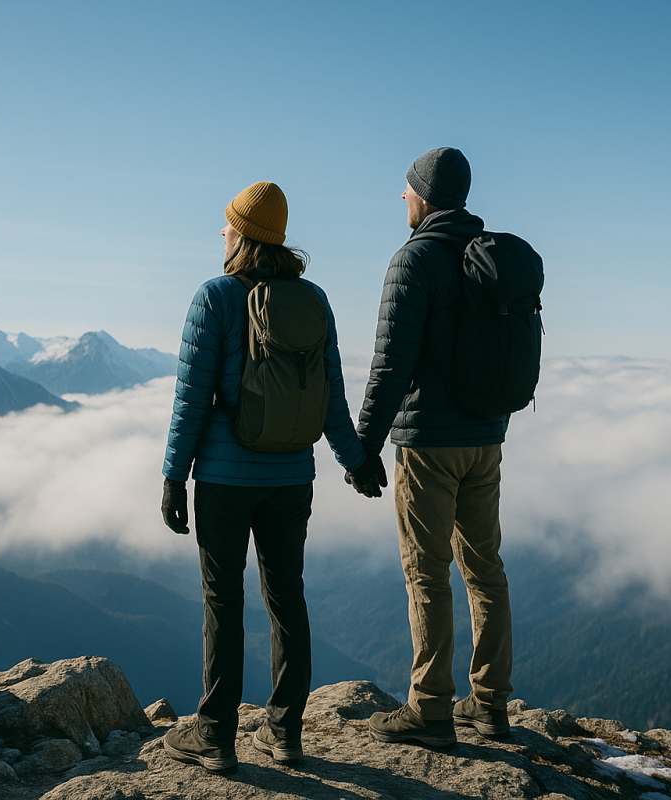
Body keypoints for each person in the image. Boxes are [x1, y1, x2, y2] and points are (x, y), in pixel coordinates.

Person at [160, 181, 380, 772]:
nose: (222, 234)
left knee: (222, 602)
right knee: (287, 598)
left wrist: (173, 477)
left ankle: (215, 736)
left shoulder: (215, 299)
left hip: (226, 482)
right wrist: (354, 460)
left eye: (228, 226)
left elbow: (191, 398)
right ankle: (285, 736)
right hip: (291, 479)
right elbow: (330, 397)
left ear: (244, 235)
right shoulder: (313, 300)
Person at [348, 147, 514, 747]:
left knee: (427, 570)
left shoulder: (414, 259)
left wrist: (363, 446)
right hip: (485, 437)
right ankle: (491, 703)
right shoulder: (485, 255)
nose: (402, 197)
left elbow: (391, 363)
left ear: (424, 196)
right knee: (485, 567)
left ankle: (431, 706)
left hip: (429, 444)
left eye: (407, 188)